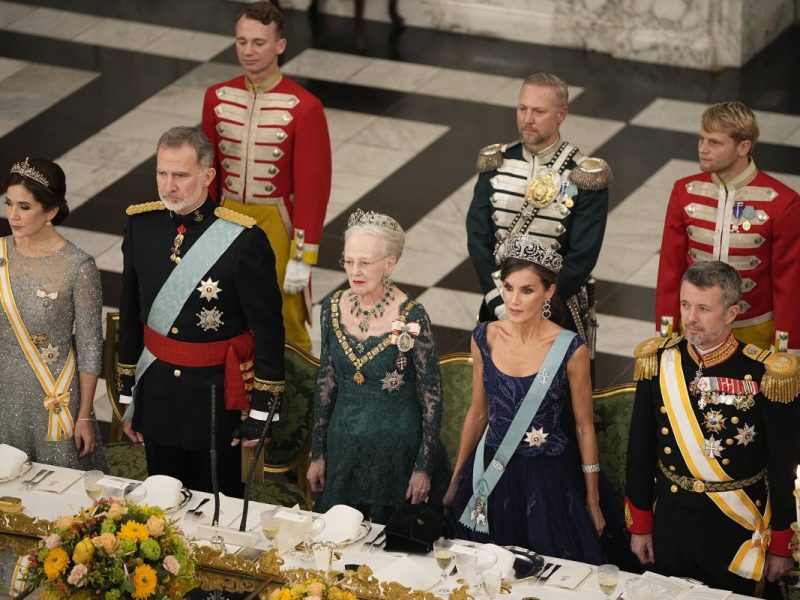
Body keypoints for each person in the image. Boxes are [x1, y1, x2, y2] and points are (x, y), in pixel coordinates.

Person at [118, 126, 285, 496]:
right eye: (162, 173)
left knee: (217, 508)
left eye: (180, 175)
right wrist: (129, 393)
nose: (168, 186)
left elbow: (269, 331)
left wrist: (262, 412)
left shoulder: (243, 240)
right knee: (160, 502)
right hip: (157, 393)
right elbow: (129, 311)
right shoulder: (141, 225)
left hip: (215, 402)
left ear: (208, 176)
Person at [446, 233, 627, 564]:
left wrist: (592, 498)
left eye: (526, 290)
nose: (513, 301)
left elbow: (584, 427)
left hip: (549, 479)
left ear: (549, 291)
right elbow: (478, 412)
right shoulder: (484, 337)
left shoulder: (571, 349)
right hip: (490, 474)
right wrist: (457, 478)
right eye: (508, 287)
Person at [627, 261, 798, 596]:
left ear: (732, 312)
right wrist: (641, 524)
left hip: (736, 526)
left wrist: (782, 542)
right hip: (672, 520)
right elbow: (640, 450)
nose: (690, 318)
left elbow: (785, 464)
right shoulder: (658, 361)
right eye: (685, 305)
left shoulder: (766, 374)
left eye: (703, 308)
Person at [201, 0, 332, 352]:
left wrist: (303, 257)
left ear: (280, 45)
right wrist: (201, 225)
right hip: (225, 216)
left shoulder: (305, 107)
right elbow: (208, 174)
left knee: (286, 320)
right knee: (221, 311)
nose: (248, 51)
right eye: (242, 41)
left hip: (276, 223)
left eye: (258, 42)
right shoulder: (216, 97)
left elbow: (313, 190)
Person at [307, 209, 450, 522]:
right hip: (343, 450)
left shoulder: (412, 316)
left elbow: (432, 394)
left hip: (396, 455)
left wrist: (423, 467)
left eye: (365, 262)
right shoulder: (332, 308)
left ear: (389, 263)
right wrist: (317, 453)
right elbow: (326, 381)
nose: (355, 271)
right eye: (348, 261)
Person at [466, 72, 611, 351]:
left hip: (556, 309)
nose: (527, 119)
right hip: (500, 304)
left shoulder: (584, 175)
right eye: (522, 109)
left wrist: (541, 306)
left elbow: (582, 255)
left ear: (561, 115)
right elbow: (478, 237)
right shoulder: (496, 163)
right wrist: (499, 301)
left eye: (539, 111)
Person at [655, 101, 800, 354]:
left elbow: (789, 283)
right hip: (693, 329)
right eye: (701, 139)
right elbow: (670, 268)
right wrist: (666, 332)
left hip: (754, 334)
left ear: (743, 147)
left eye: (715, 142)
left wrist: (785, 348)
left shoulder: (783, 203)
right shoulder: (684, 192)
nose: (703, 149)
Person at [0, 157, 106, 469]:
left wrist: (84, 415)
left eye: (24, 207)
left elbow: (89, 345)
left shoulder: (78, 266)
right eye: (8, 203)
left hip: (53, 395)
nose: (12, 216)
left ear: (51, 211)